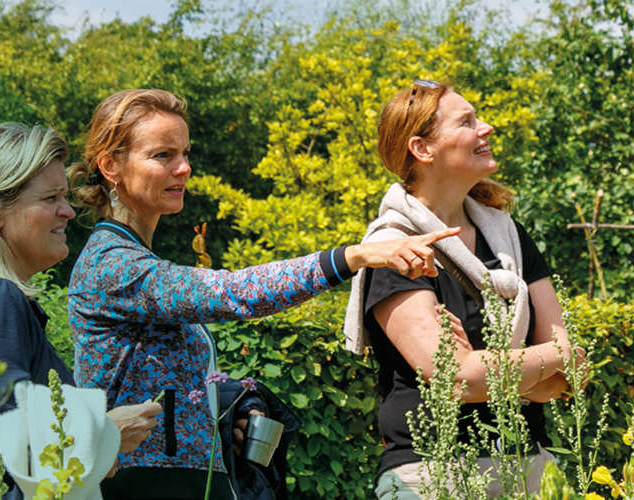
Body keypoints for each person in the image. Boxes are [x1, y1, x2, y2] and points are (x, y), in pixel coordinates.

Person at [66, 88, 459, 500]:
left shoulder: (134, 258)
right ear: (111, 166)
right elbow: (232, 293)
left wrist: (229, 408)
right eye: (162, 155)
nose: (183, 168)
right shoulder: (112, 264)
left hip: (183, 479)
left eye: (184, 152)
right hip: (141, 484)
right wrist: (352, 257)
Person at [342, 80, 587, 499]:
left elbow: (573, 371)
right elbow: (458, 380)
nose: (486, 128)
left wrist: (486, 369)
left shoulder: (510, 237)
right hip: (432, 476)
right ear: (422, 149)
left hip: (530, 468)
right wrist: (544, 362)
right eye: (467, 122)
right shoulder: (393, 248)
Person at [0, 123, 163, 499]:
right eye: (50, 198)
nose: (67, 211)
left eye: (64, 196)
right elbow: (0, 456)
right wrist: (104, 432)